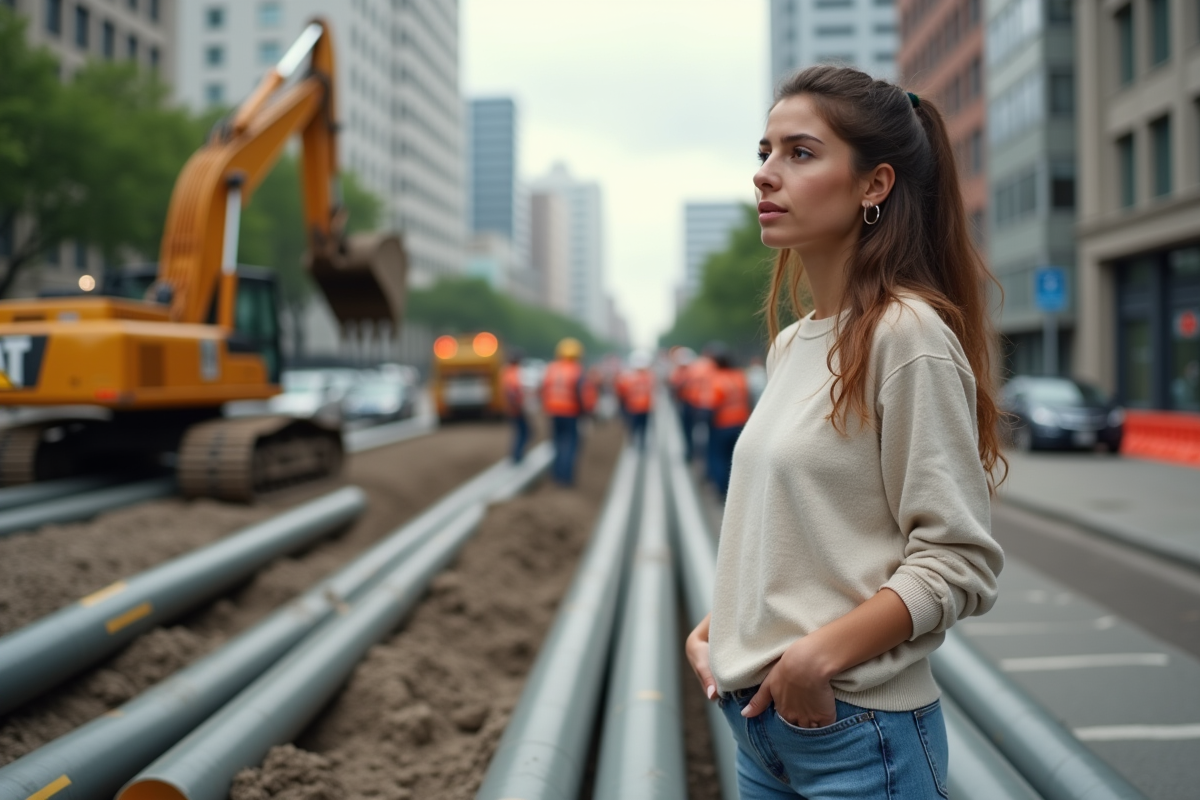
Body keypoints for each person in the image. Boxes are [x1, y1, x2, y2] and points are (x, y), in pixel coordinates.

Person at [685, 65, 1006, 799]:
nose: (766, 175)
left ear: (874, 185)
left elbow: (957, 559)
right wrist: (726, 623)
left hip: (857, 736)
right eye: (763, 152)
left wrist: (813, 660)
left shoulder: (908, 335)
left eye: (799, 153)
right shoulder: (793, 345)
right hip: (759, 729)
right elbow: (814, 535)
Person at [541, 337, 593, 486]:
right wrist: (586, 413)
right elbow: (583, 394)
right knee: (570, 444)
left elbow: (544, 390)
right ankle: (566, 479)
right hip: (571, 413)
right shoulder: (577, 371)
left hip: (553, 412)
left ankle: (556, 475)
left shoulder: (551, 368)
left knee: (556, 443)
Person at [707, 351, 749, 497]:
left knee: (719, 457)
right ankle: (739, 488)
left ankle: (723, 490)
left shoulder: (716, 380)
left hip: (722, 424)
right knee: (736, 457)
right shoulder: (739, 376)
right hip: (740, 422)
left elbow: (711, 404)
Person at [615, 351, 655, 451]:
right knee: (641, 427)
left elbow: (621, 391)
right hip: (642, 406)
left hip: (637, 406)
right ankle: (640, 443)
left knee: (636, 426)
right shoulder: (649, 376)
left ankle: (636, 442)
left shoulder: (628, 376)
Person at [500, 349, 528, 463]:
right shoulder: (513, 373)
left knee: (520, 431)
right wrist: (518, 406)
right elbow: (512, 392)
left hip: (512, 408)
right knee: (524, 431)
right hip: (516, 408)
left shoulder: (506, 371)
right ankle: (517, 456)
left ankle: (516, 455)